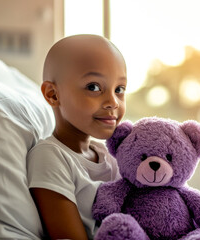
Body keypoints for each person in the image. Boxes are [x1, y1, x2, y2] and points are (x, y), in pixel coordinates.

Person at [27, 34, 127, 240]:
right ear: (53, 95)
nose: (113, 102)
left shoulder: (109, 155)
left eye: (119, 89)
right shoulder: (50, 156)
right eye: (94, 87)